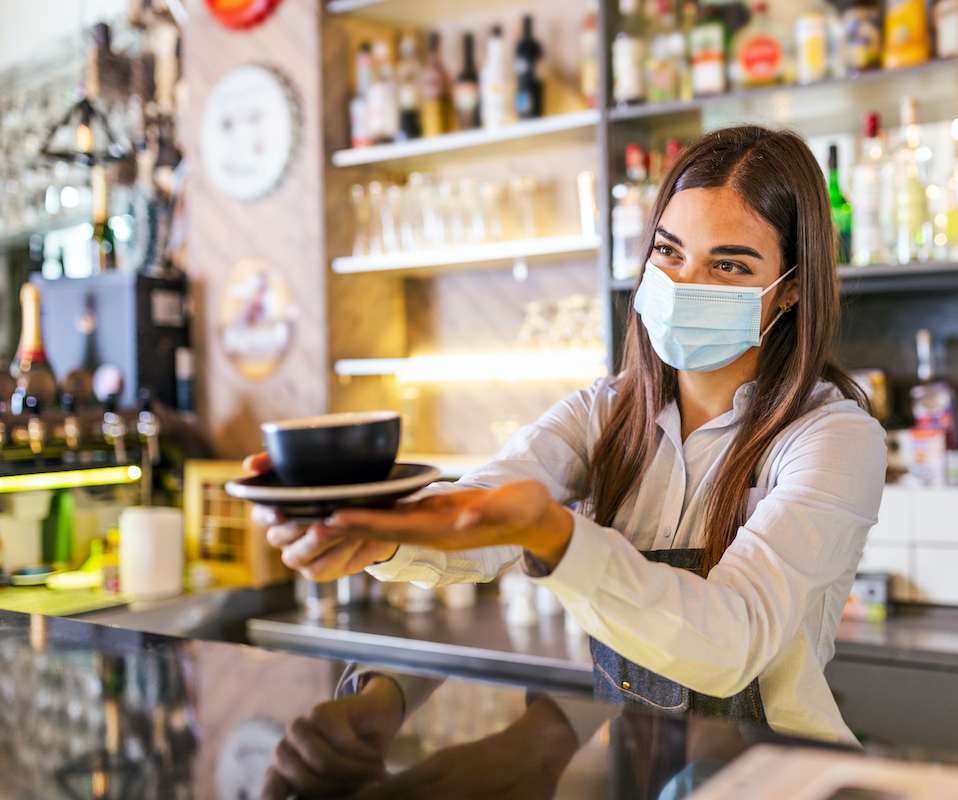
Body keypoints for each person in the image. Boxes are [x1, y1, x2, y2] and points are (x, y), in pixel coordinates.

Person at [252, 125, 887, 778]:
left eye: (728, 265)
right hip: (640, 777)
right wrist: (362, 521)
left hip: (785, 785)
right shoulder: (605, 414)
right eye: (669, 251)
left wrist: (553, 535)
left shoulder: (833, 438)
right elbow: (485, 501)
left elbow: (732, 640)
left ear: (788, 288)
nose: (684, 282)